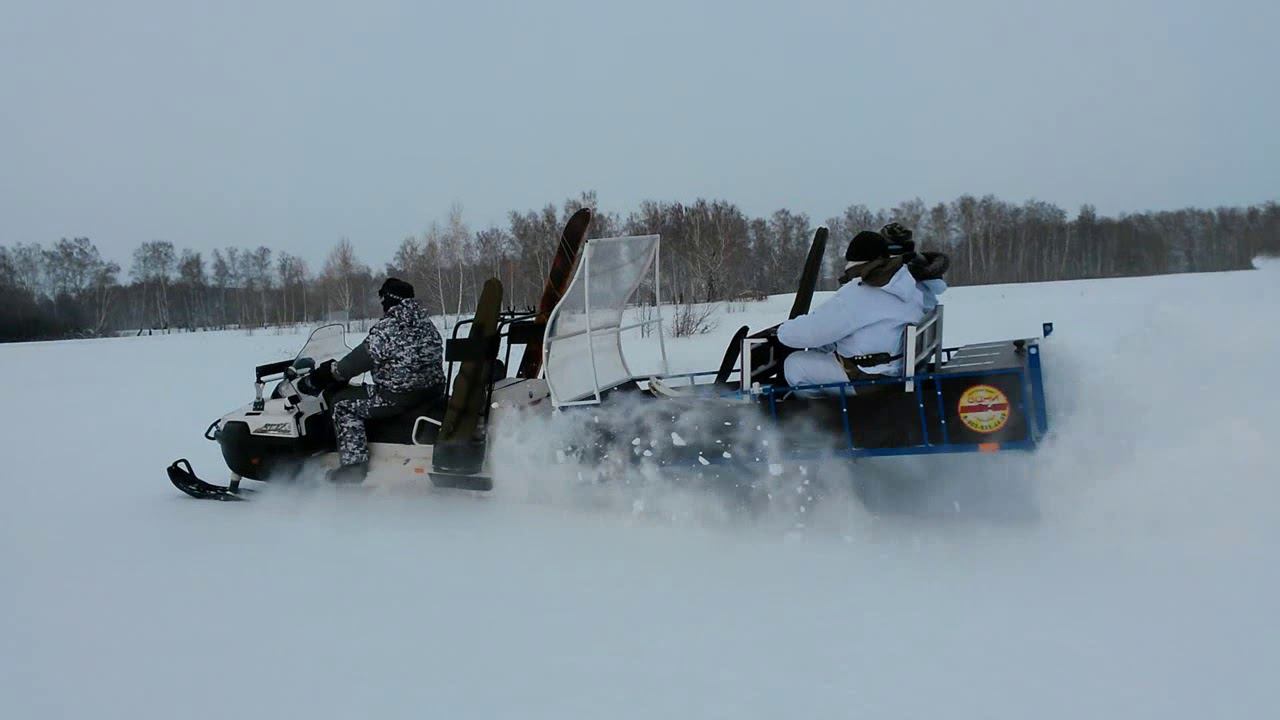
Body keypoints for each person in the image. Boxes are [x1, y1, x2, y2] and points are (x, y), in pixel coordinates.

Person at [303, 277, 445, 483]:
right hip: (429, 392)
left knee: (342, 403)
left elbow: (351, 366)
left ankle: (353, 466)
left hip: (397, 397)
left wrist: (323, 375)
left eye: (383, 299)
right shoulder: (426, 324)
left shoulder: (389, 328)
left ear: (389, 299)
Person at [775, 230, 925, 393]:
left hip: (869, 378)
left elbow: (812, 332)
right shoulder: (905, 284)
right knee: (817, 351)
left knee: (795, 364)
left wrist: (782, 331)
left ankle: (816, 415)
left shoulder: (862, 292)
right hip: (895, 369)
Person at [881, 222, 949, 311]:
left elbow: (939, 287)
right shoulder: (877, 266)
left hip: (921, 315)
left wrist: (922, 273)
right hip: (898, 316)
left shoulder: (918, 262)